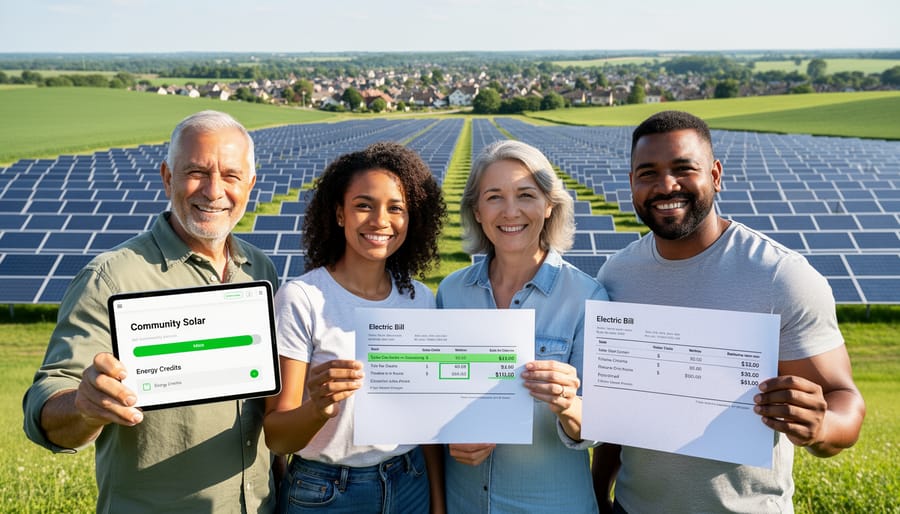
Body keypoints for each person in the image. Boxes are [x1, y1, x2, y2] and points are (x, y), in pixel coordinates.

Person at [592, 110, 866, 513]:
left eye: (684, 168)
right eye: (647, 173)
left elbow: (844, 399)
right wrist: (598, 495)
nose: (666, 185)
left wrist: (821, 426)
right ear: (632, 183)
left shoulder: (780, 276)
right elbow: (618, 410)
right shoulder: (616, 275)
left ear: (716, 175)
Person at [22, 110, 280, 513]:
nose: (214, 191)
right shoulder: (111, 277)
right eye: (196, 171)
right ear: (167, 178)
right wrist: (83, 406)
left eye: (231, 176)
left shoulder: (261, 270)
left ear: (250, 184)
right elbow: (47, 402)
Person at [263, 142, 447, 513]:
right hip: (326, 491)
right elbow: (277, 436)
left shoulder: (421, 300)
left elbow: (424, 421)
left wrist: (438, 503)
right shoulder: (302, 298)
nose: (381, 220)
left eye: (396, 208)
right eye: (364, 205)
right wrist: (319, 406)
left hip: (410, 482)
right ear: (339, 213)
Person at [437, 139, 608, 513]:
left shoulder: (586, 296)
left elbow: (601, 426)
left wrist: (568, 404)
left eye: (526, 194)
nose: (510, 211)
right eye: (494, 196)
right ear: (477, 211)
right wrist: (449, 433)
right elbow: (435, 396)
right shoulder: (451, 292)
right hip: (463, 501)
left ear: (549, 205)